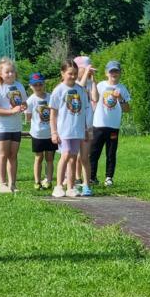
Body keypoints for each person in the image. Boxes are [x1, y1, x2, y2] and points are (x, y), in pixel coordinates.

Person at [48, 59, 89, 198]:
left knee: (73, 158)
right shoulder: (58, 90)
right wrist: (54, 132)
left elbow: (83, 112)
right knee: (65, 155)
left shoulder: (80, 90)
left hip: (77, 130)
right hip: (63, 130)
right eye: (70, 73)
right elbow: (53, 114)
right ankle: (59, 186)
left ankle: (70, 187)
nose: (73, 76)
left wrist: (85, 129)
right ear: (63, 73)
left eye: (75, 73)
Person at [0, 56, 27, 193]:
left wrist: (23, 107)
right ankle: (2, 184)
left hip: (16, 127)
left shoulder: (19, 86)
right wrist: (11, 111)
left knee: (13, 155)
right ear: (0, 74)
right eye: (7, 72)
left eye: (12, 71)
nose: (10, 74)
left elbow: (24, 103)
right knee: (2, 155)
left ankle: (12, 184)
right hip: (2, 127)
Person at [89, 60, 130, 187]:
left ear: (120, 73)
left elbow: (127, 109)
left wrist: (120, 98)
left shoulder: (122, 88)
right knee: (94, 152)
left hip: (113, 126)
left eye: (116, 71)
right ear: (107, 73)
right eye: (111, 71)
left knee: (111, 153)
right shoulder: (101, 85)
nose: (114, 74)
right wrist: (93, 80)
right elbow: (94, 99)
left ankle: (109, 177)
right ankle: (92, 177)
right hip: (98, 125)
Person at [26, 72, 55, 189]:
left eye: (40, 84)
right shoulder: (30, 100)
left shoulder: (51, 97)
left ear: (44, 84)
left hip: (50, 133)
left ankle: (48, 180)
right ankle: (37, 182)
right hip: (37, 134)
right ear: (30, 86)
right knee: (38, 158)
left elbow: (55, 113)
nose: (38, 87)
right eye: (35, 85)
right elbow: (28, 118)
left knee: (50, 158)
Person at [74, 55, 97, 196]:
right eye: (85, 68)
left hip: (87, 125)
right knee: (73, 156)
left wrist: (93, 80)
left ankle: (86, 184)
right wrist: (86, 74)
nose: (88, 71)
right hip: (74, 125)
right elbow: (80, 88)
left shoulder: (88, 82)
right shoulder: (74, 83)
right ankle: (75, 181)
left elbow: (95, 98)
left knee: (84, 156)